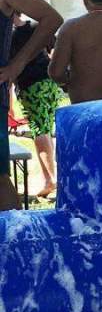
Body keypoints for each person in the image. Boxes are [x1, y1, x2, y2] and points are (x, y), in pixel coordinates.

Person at [0, 0, 62, 211]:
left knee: (0, 179)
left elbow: (52, 19)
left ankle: (15, 236)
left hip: (33, 85)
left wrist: (17, 64)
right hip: (33, 87)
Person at [10, 15, 64, 198]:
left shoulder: (8, 36)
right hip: (49, 83)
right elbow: (54, 49)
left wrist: (9, 105)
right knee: (46, 128)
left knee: (39, 130)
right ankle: (52, 177)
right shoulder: (35, 26)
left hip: (30, 86)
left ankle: (50, 179)